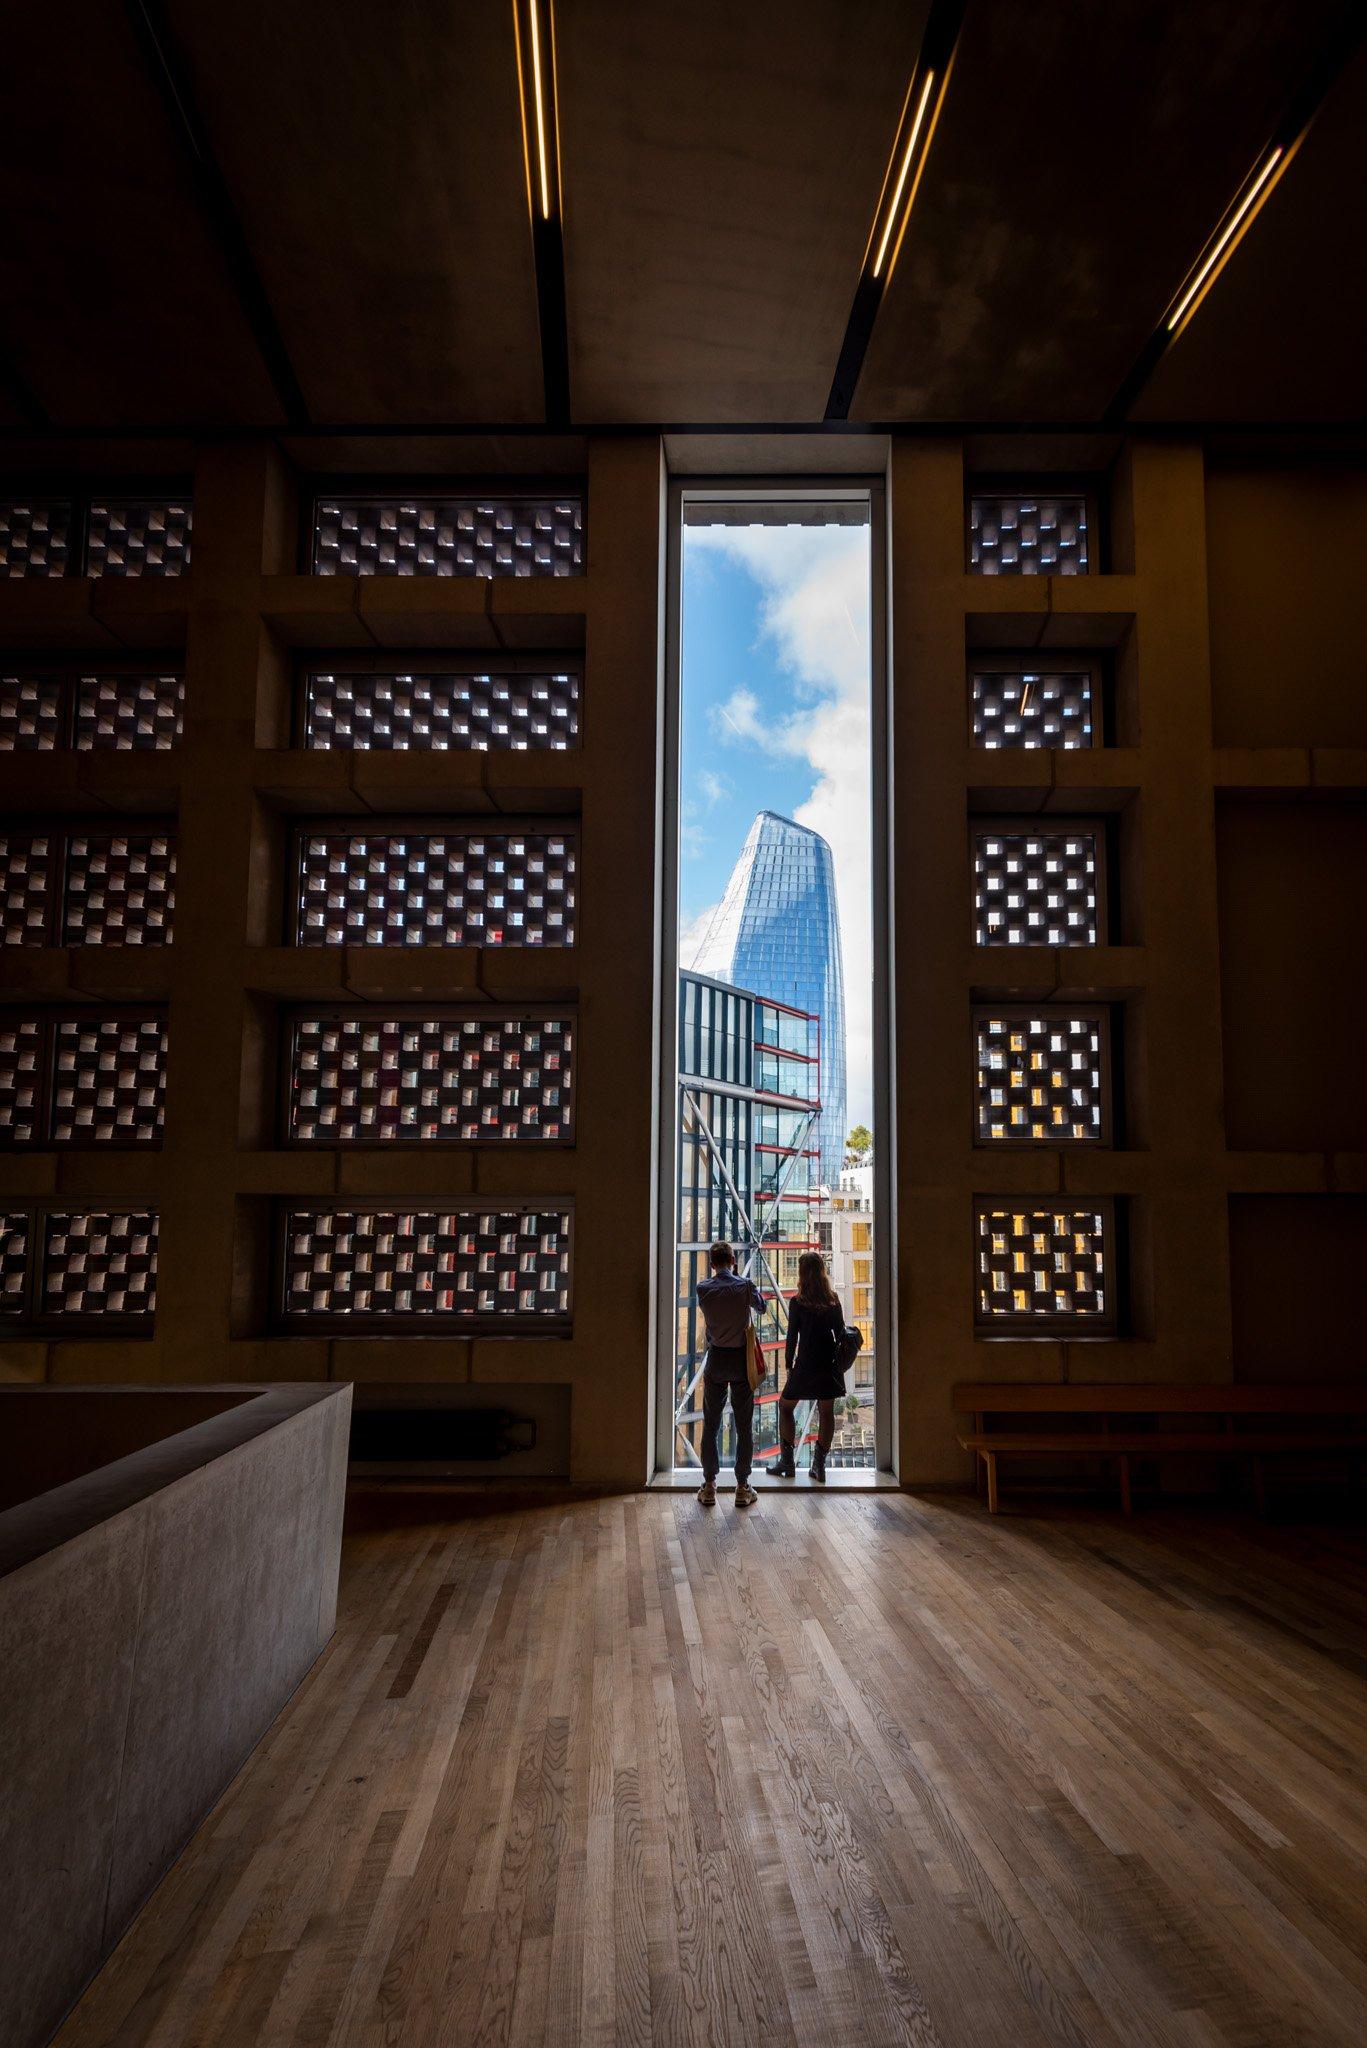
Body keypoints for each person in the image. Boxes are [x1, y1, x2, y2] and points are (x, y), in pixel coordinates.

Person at [694, 1239, 764, 1509]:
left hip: (716, 1359)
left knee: (711, 1424)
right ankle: (742, 1487)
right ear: (733, 1261)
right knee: (744, 1425)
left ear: (712, 1264)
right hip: (740, 1360)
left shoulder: (703, 1289)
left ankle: (709, 1486)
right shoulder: (744, 1286)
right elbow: (762, 1307)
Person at [773, 1250, 847, 1485]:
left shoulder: (798, 1302)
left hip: (805, 1364)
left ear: (803, 1274)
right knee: (826, 1412)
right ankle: (819, 1466)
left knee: (785, 1407)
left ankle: (787, 1463)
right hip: (828, 1364)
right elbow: (841, 1333)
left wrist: (788, 1363)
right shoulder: (833, 1300)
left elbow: (792, 1337)